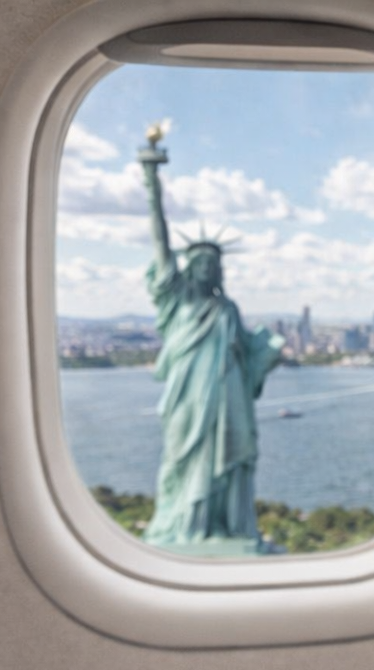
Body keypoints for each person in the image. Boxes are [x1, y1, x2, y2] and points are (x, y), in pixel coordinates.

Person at [137, 127, 284, 555]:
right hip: (186, 400)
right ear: (187, 268)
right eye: (198, 261)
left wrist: (268, 351)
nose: (205, 268)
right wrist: (151, 179)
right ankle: (185, 528)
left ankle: (229, 529)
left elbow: (248, 354)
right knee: (181, 462)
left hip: (229, 397)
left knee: (232, 464)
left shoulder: (229, 310)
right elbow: (161, 243)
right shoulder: (174, 299)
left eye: (211, 263)